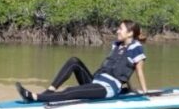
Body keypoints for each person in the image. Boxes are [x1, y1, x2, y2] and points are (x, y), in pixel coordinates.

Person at [15, 20, 147, 103]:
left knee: (71, 91)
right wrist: (129, 88)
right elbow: (122, 67)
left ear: (130, 33)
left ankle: (34, 97)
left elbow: (138, 70)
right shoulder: (117, 45)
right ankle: (49, 91)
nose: (117, 31)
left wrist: (144, 92)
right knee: (74, 61)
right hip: (95, 81)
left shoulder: (136, 48)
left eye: (120, 29)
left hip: (106, 88)